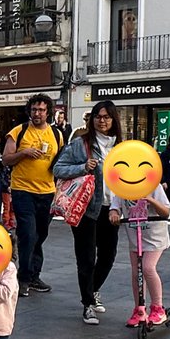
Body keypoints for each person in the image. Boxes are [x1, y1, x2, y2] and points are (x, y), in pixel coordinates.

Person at [53, 102, 121, 325]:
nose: (102, 121)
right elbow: (58, 168)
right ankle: (88, 304)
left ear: (114, 120)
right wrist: (82, 167)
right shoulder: (80, 144)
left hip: (111, 209)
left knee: (108, 256)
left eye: (107, 117)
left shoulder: (121, 147)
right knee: (86, 258)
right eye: (98, 117)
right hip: (85, 208)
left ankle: (92, 291)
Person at [3, 94, 63, 298]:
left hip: (47, 192)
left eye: (42, 110)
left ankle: (34, 275)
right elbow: (6, 159)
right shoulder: (18, 132)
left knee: (39, 236)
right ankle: (24, 278)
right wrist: (24, 153)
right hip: (23, 191)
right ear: (29, 111)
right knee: (27, 234)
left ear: (48, 112)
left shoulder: (57, 134)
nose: (38, 113)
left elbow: (61, 161)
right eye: (34, 109)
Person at [110, 181, 170, 329]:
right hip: (135, 238)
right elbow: (114, 207)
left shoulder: (153, 186)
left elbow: (166, 212)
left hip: (154, 237)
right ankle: (139, 309)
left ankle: (158, 308)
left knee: (148, 268)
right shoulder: (121, 188)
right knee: (136, 272)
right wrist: (114, 214)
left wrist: (150, 199)